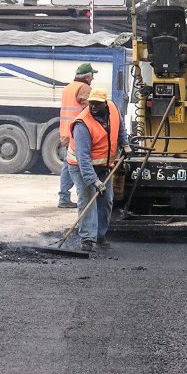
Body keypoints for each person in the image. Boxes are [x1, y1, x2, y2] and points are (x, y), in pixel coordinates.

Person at [66, 88, 130, 252]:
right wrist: (94, 181)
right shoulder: (83, 124)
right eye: (90, 104)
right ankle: (87, 239)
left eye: (96, 104)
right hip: (81, 167)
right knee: (88, 199)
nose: (92, 107)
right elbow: (83, 158)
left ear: (105, 103)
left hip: (103, 166)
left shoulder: (113, 109)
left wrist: (125, 144)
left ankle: (100, 236)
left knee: (107, 200)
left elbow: (120, 127)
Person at [57, 63, 97, 208]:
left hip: (67, 131)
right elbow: (91, 108)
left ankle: (63, 198)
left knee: (68, 165)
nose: (93, 79)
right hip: (78, 133)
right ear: (87, 76)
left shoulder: (68, 87)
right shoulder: (85, 88)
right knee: (78, 166)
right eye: (92, 76)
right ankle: (80, 199)